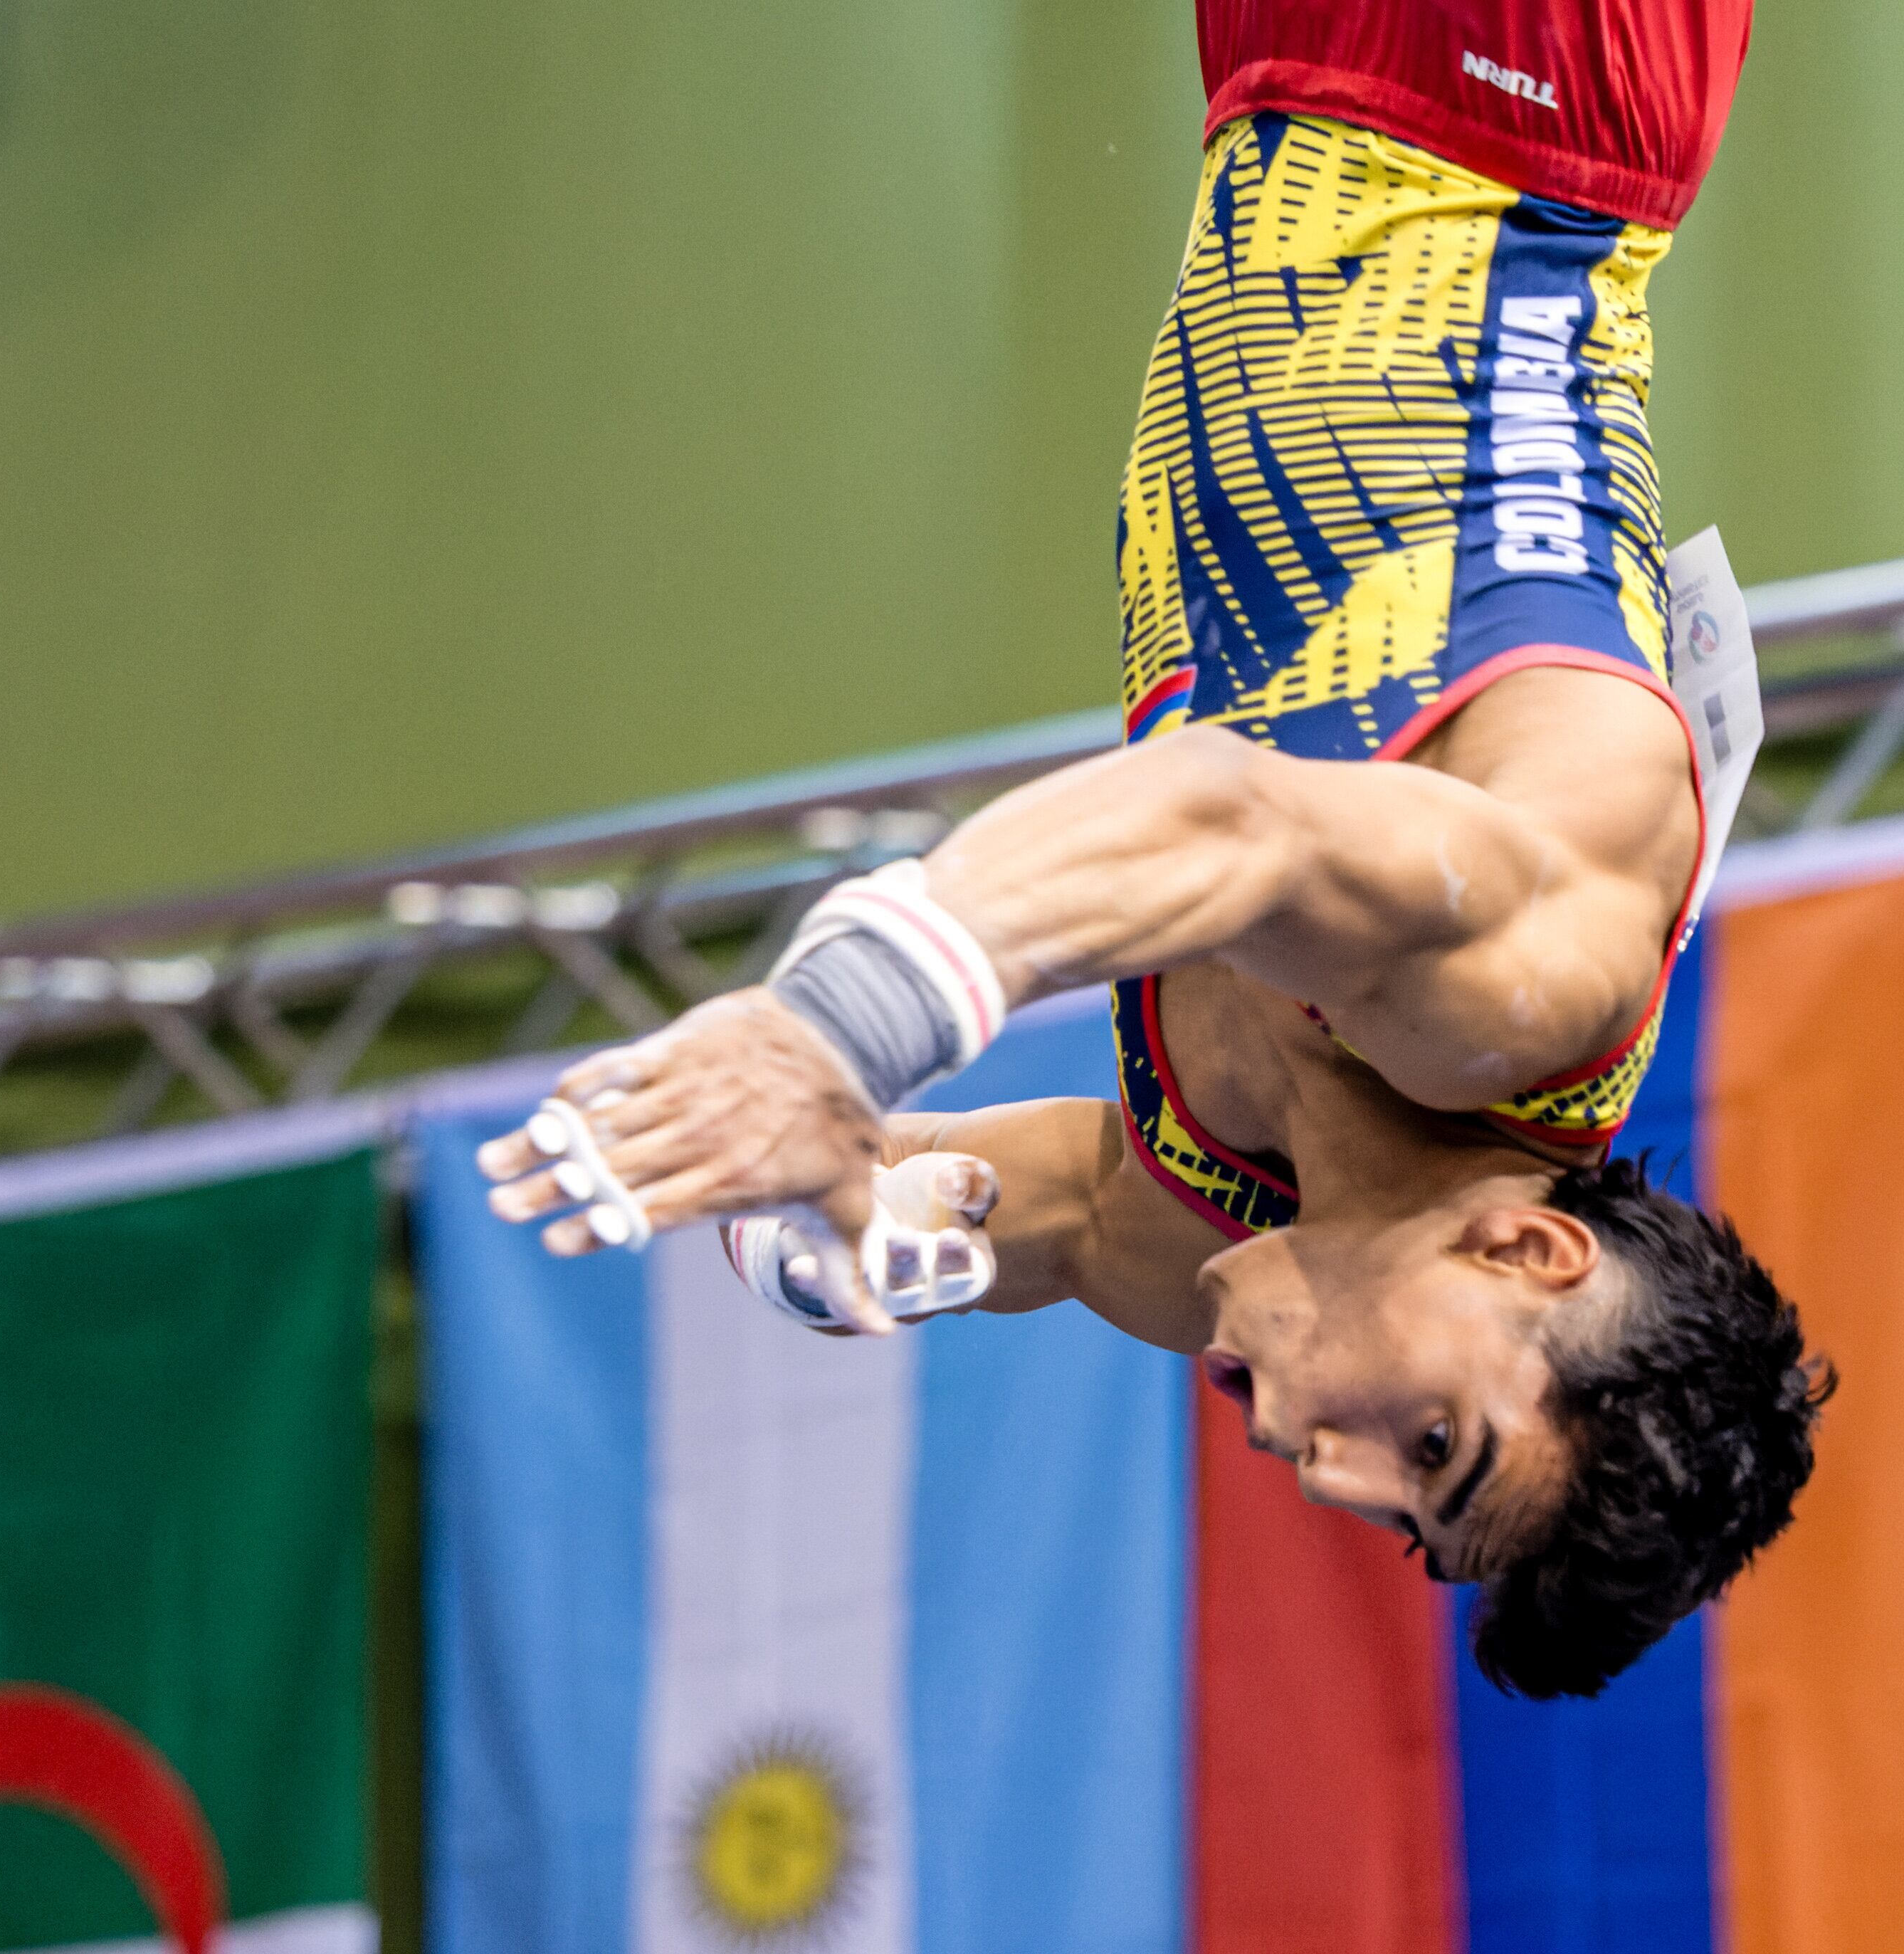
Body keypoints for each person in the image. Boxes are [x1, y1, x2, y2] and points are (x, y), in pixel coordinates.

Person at [477, 0, 1831, 1701]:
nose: (1335, 1474)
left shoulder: (1196, 1246)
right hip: (1522, 96)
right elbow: (1226, 814)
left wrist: (817, 1221)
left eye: (1410, 1514)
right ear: (1533, 1252)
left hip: (1285, 88)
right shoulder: (1523, 990)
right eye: (1436, 1438)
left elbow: (1007, 1215)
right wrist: (830, 1027)